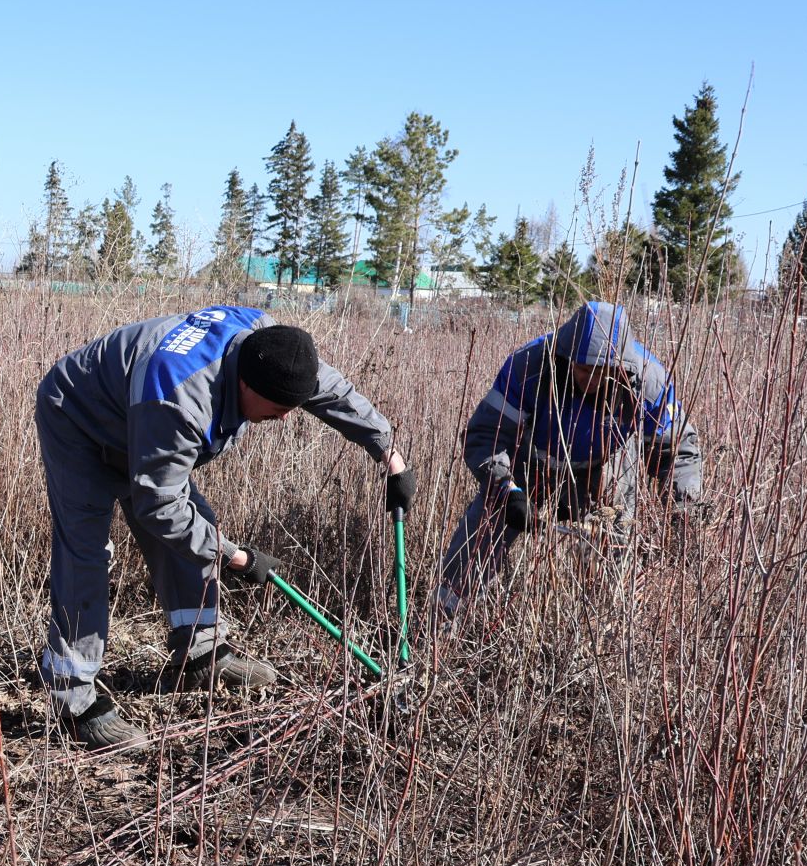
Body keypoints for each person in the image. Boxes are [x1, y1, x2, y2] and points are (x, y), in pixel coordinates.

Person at [35, 307, 415, 748]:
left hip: (138, 412)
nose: (286, 417)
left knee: (200, 526)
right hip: (81, 419)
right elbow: (159, 506)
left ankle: (200, 654)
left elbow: (330, 391)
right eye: (276, 409)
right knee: (88, 551)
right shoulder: (178, 399)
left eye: (292, 406)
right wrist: (237, 557)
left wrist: (389, 455)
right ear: (245, 384)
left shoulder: (273, 348)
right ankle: (72, 695)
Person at [436, 300, 703, 615]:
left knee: (614, 555)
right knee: (479, 534)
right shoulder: (529, 366)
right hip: (531, 468)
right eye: (582, 369)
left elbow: (676, 452)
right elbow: (486, 435)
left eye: (600, 373)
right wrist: (506, 491)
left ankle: (605, 624)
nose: (589, 380)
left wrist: (683, 510)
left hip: (605, 475)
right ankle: (443, 621)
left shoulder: (649, 384)